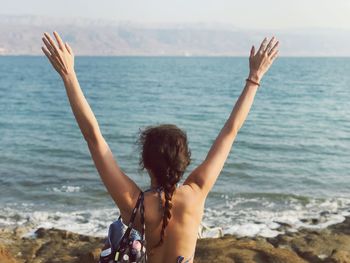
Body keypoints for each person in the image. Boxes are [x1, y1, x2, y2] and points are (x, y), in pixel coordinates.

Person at [41, 32, 279, 263]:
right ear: (185, 161)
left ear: (145, 163)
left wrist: (68, 74)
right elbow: (231, 131)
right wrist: (255, 77)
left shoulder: (135, 203)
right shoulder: (196, 194)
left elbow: (94, 138)